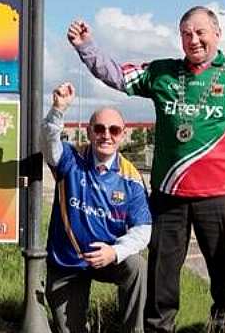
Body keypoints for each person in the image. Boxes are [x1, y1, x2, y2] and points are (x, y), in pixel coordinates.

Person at [67, 6, 225, 333]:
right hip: (168, 197)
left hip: (221, 197)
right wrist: (87, 47)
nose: (193, 40)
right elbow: (118, 75)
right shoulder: (162, 72)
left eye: (200, 32)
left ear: (217, 34)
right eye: (186, 34)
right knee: (161, 279)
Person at [43, 82, 151, 333]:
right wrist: (58, 110)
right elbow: (48, 143)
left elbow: (143, 230)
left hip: (108, 258)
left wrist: (114, 252)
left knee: (137, 266)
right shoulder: (70, 159)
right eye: (100, 129)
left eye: (114, 130)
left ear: (123, 135)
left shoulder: (131, 178)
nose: (106, 135)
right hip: (67, 261)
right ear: (90, 132)